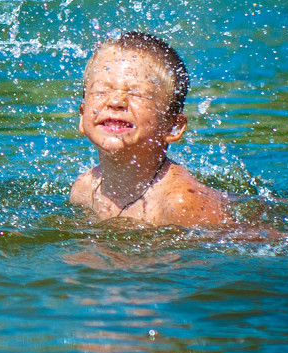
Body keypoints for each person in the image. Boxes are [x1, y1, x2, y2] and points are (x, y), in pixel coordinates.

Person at [70, 31, 233, 228]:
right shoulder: (84, 189)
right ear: (82, 114)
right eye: (102, 90)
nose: (115, 101)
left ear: (172, 126)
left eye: (136, 93)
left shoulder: (182, 203)